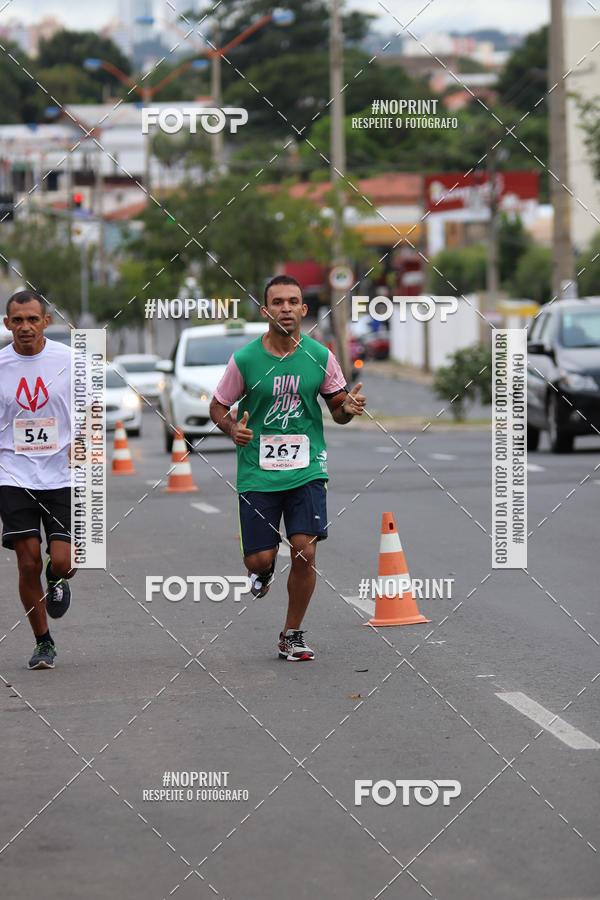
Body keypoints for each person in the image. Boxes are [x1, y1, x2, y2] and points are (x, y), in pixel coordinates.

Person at [209, 275, 366, 661]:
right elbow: (216, 407)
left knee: (303, 552)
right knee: (260, 559)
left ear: (303, 309)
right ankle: (261, 573)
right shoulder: (245, 360)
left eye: (292, 301)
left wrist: (346, 410)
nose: (285, 309)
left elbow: (337, 409)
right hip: (258, 471)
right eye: (277, 302)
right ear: (265, 311)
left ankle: (291, 634)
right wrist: (233, 429)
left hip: (306, 468)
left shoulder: (320, 356)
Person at [0, 290, 77, 669]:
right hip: (13, 473)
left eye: (33, 319)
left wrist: (87, 456)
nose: (25, 327)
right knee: (27, 562)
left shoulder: (69, 361)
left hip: (62, 473)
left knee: (62, 561)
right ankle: (43, 640)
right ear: (7, 324)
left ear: (47, 321)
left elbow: (90, 413)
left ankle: (57, 577)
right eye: (18, 320)